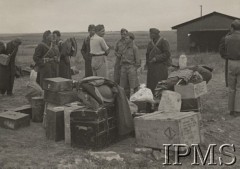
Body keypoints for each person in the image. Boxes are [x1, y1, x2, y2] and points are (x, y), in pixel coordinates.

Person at [146, 28, 171, 111]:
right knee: (151, 86)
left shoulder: (163, 41)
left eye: (151, 34)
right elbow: (148, 54)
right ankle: (152, 105)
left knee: (160, 86)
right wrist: (146, 64)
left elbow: (167, 54)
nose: (150, 35)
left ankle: (162, 105)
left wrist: (156, 58)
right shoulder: (150, 42)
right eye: (150, 33)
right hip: (152, 68)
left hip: (161, 67)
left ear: (156, 34)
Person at [219, 20, 240, 117]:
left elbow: (221, 50)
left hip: (231, 62)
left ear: (232, 28)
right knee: (239, 87)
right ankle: (238, 110)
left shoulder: (226, 38)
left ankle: (231, 110)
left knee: (232, 87)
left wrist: (227, 56)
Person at [119, 32, 141, 97]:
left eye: (127, 38)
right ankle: (125, 100)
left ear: (131, 39)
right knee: (123, 86)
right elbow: (121, 57)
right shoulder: (123, 47)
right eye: (125, 38)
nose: (125, 39)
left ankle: (135, 100)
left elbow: (138, 61)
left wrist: (134, 69)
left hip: (131, 67)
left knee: (134, 86)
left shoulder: (135, 48)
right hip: (124, 67)